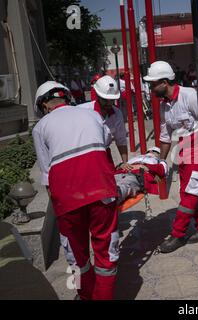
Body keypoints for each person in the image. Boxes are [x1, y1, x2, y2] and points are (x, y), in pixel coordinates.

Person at [32, 81, 119, 300]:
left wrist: (60, 209)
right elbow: (105, 143)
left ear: (44, 106)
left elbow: (46, 175)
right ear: (67, 98)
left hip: (68, 198)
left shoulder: (40, 128)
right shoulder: (92, 115)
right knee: (106, 252)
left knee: (76, 255)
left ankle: (85, 295)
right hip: (102, 189)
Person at [143, 60, 198, 253]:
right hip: (183, 150)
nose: (151, 88)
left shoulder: (190, 95)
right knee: (191, 191)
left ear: (164, 82)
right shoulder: (164, 106)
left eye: (153, 84)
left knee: (189, 194)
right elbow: (165, 136)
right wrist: (161, 162)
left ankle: (178, 234)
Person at [78, 75, 132, 171]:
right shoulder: (83, 110)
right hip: (86, 156)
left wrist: (124, 163)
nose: (108, 104)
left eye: (111, 100)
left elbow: (121, 140)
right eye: (105, 100)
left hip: (105, 155)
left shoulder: (117, 114)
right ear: (98, 96)